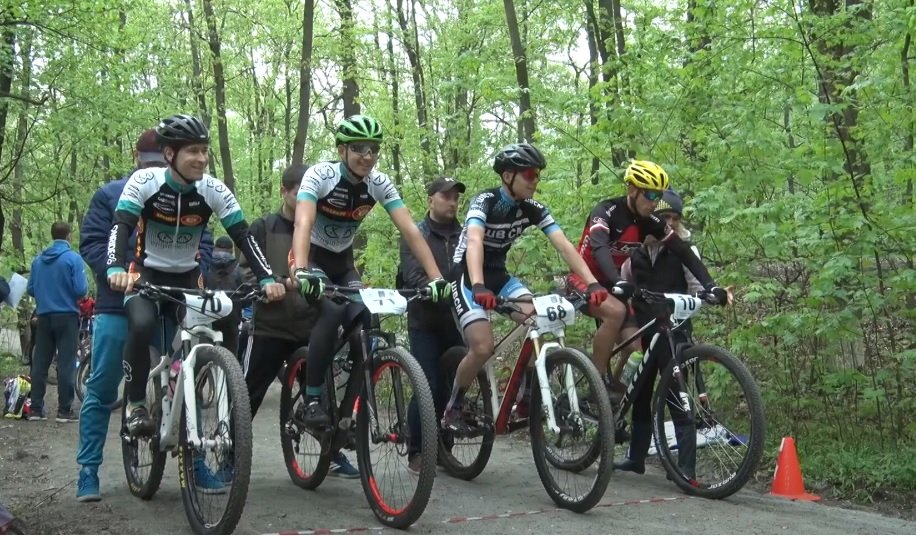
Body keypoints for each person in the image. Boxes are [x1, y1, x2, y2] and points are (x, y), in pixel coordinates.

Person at [106, 114, 284, 450]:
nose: (201, 158)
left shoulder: (212, 189)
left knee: (228, 314)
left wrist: (267, 277)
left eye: (204, 151)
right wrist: (115, 267)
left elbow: (243, 235)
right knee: (142, 323)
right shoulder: (145, 181)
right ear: (170, 154)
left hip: (189, 275)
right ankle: (135, 405)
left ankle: (227, 388)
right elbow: (121, 227)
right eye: (193, 151)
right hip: (145, 273)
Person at [76, 128, 214, 502]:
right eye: (149, 161)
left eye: (159, 162)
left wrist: (200, 266)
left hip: (172, 297)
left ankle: (196, 463)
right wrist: (114, 273)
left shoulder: (193, 193)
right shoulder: (110, 195)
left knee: (185, 376)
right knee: (103, 386)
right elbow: (92, 242)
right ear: (137, 158)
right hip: (116, 303)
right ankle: (88, 470)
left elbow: (204, 238)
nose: (154, 169)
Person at [290, 114, 450, 429]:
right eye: (359, 148)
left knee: (368, 319)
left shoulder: (379, 183)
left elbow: (411, 231)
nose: (368, 156)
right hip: (311, 258)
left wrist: (437, 278)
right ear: (341, 150)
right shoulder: (319, 176)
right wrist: (302, 271)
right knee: (332, 311)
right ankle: (310, 398)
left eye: (374, 149)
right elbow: (303, 222)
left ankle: (348, 414)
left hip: (343, 262)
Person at [441, 142, 611, 432]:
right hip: (468, 276)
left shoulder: (533, 209)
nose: (536, 181)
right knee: (482, 347)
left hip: (499, 275)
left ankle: (526, 396)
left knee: (540, 320)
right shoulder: (485, 201)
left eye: (538, 175)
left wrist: (592, 282)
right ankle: (453, 406)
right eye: (530, 174)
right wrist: (479, 285)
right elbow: (474, 241)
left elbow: (565, 247)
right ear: (508, 176)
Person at [240, 163, 359, 477]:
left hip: (311, 327)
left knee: (318, 396)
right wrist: (270, 284)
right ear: (285, 191)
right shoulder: (263, 226)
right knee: (247, 394)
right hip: (270, 326)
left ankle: (330, 453)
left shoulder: (320, 230)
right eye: (297, 192)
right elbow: (246, 270)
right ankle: (230, 454)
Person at [569, 160, 726, 392]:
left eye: (658, 196)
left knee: (638, 348)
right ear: (632, 190)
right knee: (616, 311)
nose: (654, 203)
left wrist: (710, 285)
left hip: (614, 285)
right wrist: (617, 281)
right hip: (584, 280)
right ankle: (597, 385)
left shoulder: (649, 222)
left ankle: (615, 403)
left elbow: (682, 251)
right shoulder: (605, 211)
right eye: (650, 195)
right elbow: (600, 248)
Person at [615, 189, 727, 476]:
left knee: (677, 396)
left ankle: (685, 468)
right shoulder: (635, 250)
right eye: (664, 216)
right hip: (644, 329)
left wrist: (708, 295)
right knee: (640, 391)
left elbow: (697, 286)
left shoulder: (684, 249)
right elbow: (624, 284)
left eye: (675, 218)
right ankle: (635, 458)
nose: (671, 222)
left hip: (675, 333)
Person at [396, 177, 466, 473]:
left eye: (455, 198)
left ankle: (443, 449)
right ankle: (416, 449)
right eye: (445, 196)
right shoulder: (416, 233)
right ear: (430, 200)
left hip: (457, 319)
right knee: (427, 384)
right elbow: (412, 274)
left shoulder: (466, 234)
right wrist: (435, 288)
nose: (452, 202)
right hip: (424, 320)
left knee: (452, 385)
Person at [26, 221, 89, 423]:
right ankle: (64, 410)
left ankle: (36, 408)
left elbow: (30, 289)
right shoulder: (73, 259)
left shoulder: (38, 261)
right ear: (69, 236)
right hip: (67, 317)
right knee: (66, 363)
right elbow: (81, 290)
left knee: (40, 363)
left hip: (43, 317)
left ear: (52, 235)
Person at [204, 235, 246, 355]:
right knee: (230, 359)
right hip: (231, 319)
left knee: (205, 354)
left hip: (207, 318)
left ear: (214, 248)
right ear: (231, 250)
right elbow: (246, 297)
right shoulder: (239, 268)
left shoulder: (205, 265)